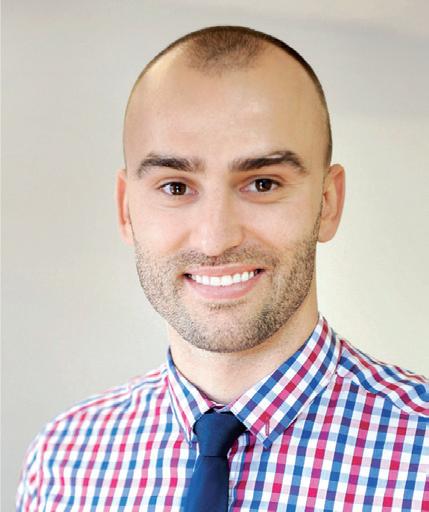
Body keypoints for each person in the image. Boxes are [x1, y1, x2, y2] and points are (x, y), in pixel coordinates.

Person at [17, 25, 428, 511]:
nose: (216, 238)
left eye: (263, 184)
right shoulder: (61, 463)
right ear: (126, 209)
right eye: (175, 187)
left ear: (328, 203)